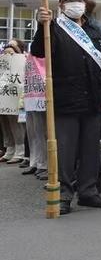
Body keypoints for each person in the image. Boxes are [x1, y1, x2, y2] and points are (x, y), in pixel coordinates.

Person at [32, 0, 101, 215]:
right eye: (70, 1)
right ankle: (64, 195)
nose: (76, 4)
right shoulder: (54, 28)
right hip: (66, 99)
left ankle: (88, 192)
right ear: (61, 4)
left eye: (79, 0)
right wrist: (42, 26)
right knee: (65, 152)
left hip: (93, 99)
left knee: (90, 149)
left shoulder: (96, 30)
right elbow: (38, 51)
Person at [0, 40, 26, 165]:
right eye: (5, 53)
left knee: (15, 123)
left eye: (11, 53)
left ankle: (19, 151)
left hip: (16, 97)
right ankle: (9, 149)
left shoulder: (22, 62)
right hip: (4, 97)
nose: (7, 55)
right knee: (5, 122)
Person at [23, 52, 48, 180]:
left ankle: (44, 164)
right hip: (32, 95)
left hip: (42, 94)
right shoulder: (33, 50)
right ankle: (37, 161)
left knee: (44, 132)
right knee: (34, 132)